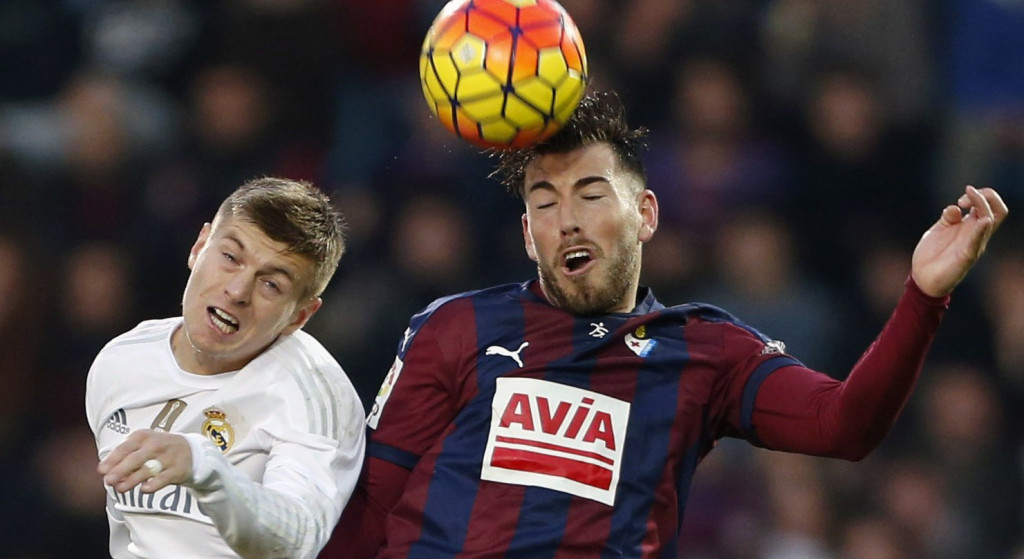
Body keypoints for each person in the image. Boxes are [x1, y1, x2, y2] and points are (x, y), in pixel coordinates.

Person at [323, 92, 1007, 558]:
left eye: (591, 194)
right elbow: (376, 503)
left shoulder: (706, 349)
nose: (567, 218)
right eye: (544, 202)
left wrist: (922, 296)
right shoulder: (455, 326)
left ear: (646, 214)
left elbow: (843, 425)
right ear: (528, 234)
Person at [85, 176, 365, 559]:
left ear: (299, 316)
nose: (237, 291)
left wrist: (205, 467)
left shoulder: (313, 393)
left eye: (270, 284)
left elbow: (297, 538)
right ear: (200, 247)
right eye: (231, 258)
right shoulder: (121, 361)